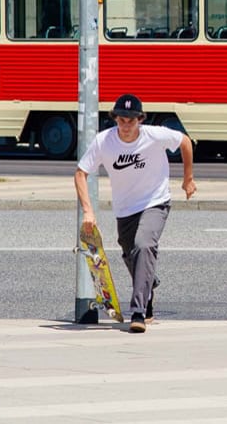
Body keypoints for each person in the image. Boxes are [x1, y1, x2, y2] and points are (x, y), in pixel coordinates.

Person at [74, 93, 196, 333]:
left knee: (143, 245)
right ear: (115, 119)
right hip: (125, 208)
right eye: (122, 120)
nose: (126, 125)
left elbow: (185, 142)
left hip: (155, 202)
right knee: (131, 253)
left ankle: (139, 311)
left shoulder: (154, 135)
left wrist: (188, 179)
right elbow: (80, 173)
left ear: (140, 119)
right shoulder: (104, 141)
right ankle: (148, 282)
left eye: (131, 120)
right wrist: (88, 211)